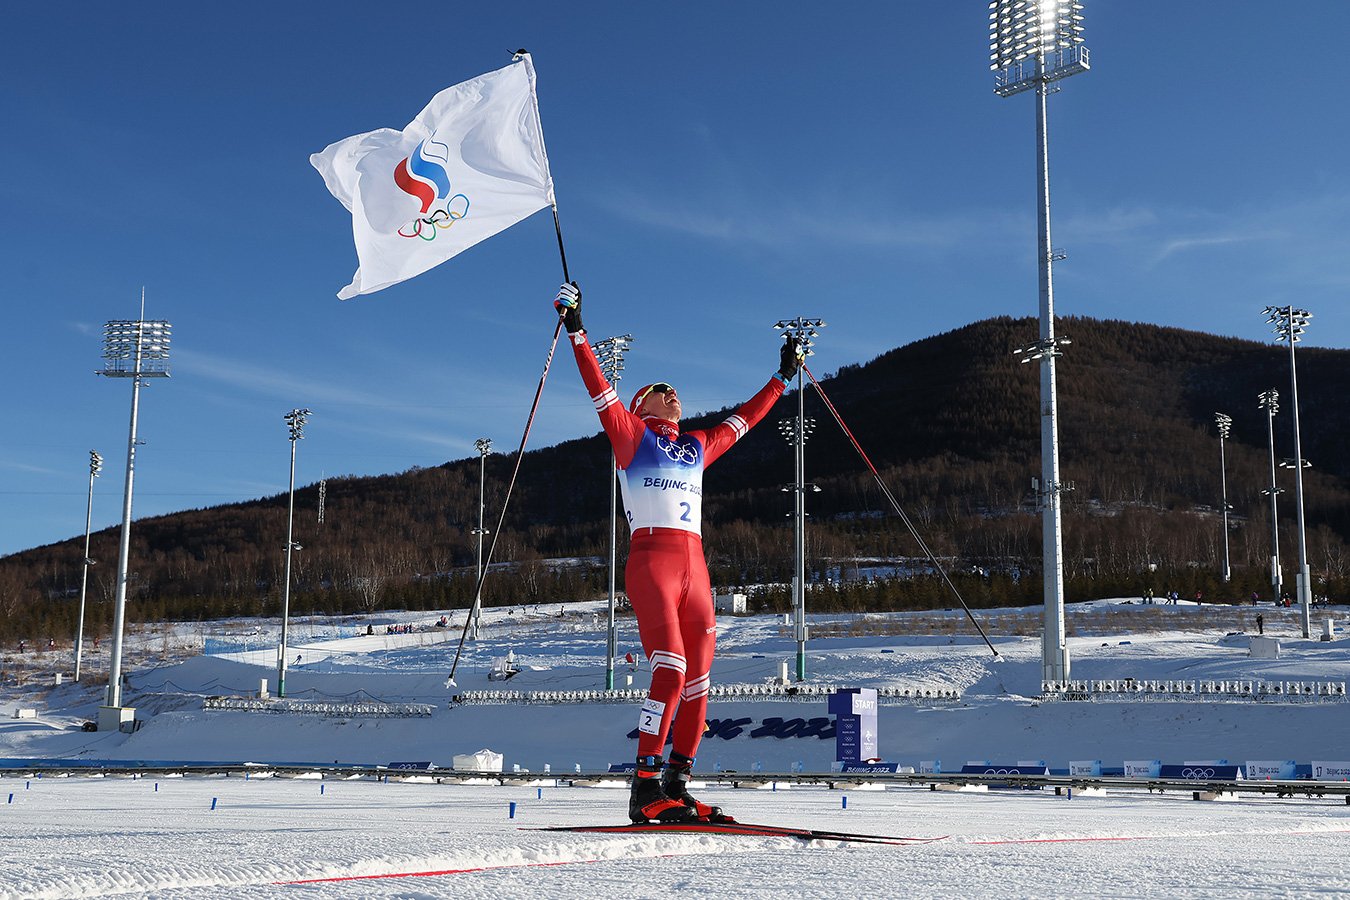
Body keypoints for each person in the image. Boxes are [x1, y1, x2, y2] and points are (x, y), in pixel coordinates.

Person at [555, 281, 802, 824]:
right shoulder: (631, 435)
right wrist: (577, 329)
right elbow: (599, 389)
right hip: (653, 563)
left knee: (700, 682)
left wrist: (782, 377)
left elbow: (746, 420)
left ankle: (677, 783)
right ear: (642, 404)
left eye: (676, 389)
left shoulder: (695, 446)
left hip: (696, 569)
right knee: (668, 668)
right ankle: (643, 789)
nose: (674, 393)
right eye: (661, 389)